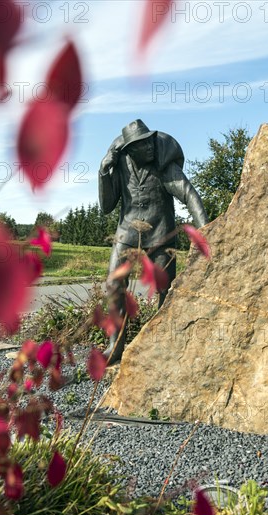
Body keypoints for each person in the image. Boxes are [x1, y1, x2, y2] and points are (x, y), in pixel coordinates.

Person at [99, 119, 208, 364]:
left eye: (150, 141)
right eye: (141, 145)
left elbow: (189, 194)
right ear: (128, 149)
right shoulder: (120, 165)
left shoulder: (163, 165)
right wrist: (104, 172)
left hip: (161, 234)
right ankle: (115, 345)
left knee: (165, 291)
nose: (149, 147)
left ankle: (160, 347)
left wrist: (206, 231)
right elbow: (106, 206)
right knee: (114, 284)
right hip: (127, 234)